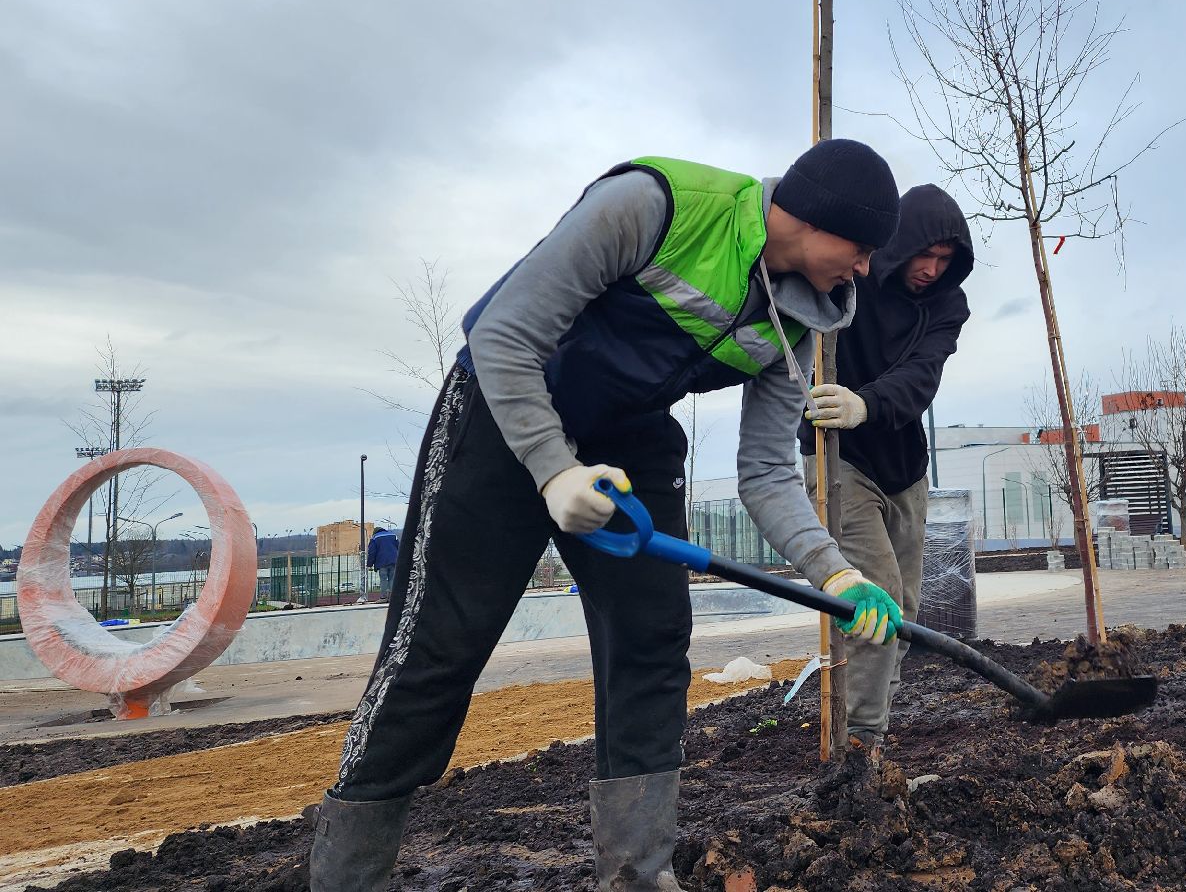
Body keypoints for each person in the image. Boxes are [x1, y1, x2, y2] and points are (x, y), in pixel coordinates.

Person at [307, 141, 909, 892]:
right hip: (503, 414)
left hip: (628, 437)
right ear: (812, 218)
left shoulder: (808, 319)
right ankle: (350, 878)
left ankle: (637, 876)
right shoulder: (653, 206)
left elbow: (763, 470)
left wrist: (838, 572)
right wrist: (553, 469)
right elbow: (503, 334)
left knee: (652, 643)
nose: (862, 270)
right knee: (439, 648)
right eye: (859, 249)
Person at [798, 184, 972, 753]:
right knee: (877, 599)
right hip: (838, 457)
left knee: (906, 610)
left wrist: (866, 404)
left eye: (946, 260)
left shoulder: (947, 306)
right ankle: (860, 744)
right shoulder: (852, 277)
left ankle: (870, 716)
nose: (931, 269)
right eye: (925, 254)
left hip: (903, 465)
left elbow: (923, 376)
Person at [362, 527, 399, 601]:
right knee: (392, 579)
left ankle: (383, 597)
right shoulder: (393, 535)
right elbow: (399, 547)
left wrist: (369, 564)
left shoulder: (375, 538)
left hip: (382, 562)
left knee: (383, 579)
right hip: (394, 561)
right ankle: (392, 597)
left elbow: (372, 552)